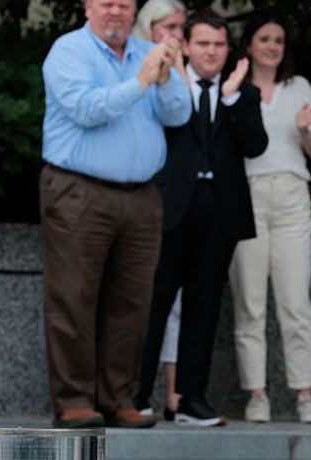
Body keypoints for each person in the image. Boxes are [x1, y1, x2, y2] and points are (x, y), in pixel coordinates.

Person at [40, 0, 192, 429]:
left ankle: (118, 397)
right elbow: (87, 110)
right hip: (77, 189)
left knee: (133, 302)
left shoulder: (148, 50)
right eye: (106, 3)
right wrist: (142, 81)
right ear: (87, 7)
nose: (115, 12)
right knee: (73, 297)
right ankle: (73, 399)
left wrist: (163, 81)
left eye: (124, 5)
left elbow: (179, 113)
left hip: (141, 194)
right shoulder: (68, 51)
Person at [135, 10, 267, 426]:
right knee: (153, 303)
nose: (211, 52)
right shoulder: (167, 83)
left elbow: (255, 145)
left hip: (220, 210)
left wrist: (230, 99)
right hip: (170, 206)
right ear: (188, 46)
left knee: (204, 305)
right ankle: (135, 396)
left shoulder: (241, 93)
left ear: (229, 50)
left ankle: (191, 399)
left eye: (219, 44)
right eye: (204, 43)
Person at [228, 12, 311, 423]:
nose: (272, 46)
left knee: (295, 300)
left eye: (278, 40)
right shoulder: (232, 85)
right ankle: (257, 394)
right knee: (249, 300)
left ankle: (305, 394)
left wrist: (304, 129)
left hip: (290, 195)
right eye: (264, 38)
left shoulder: (298, 86)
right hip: (245, 193)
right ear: (249, 43)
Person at [131, 0, 187, 421]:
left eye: (181, 28)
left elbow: (182, 113)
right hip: (138, 191)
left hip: (169, 199)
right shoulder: (132, 60)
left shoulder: (176, 67)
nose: (177, 37)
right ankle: (130, 393)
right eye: (169, 27)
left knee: (172, 308)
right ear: (149, 27)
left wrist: (177, 68)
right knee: (139, 302)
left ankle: (169, 394)